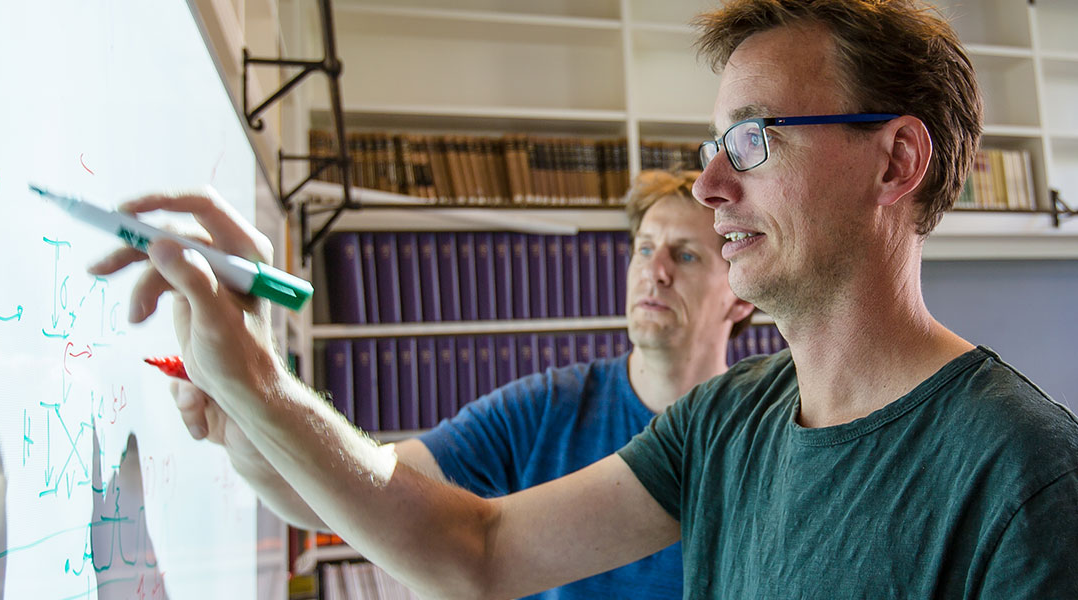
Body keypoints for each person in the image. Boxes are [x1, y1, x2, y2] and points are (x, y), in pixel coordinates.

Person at [89, 0, 1078, 597]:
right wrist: (254, 383)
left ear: (894, 160)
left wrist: (255, 388)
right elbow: (472, 551)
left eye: (753, 139)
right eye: (710, 149)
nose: (708, 189)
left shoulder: (1024, 478)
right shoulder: (728, 419)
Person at [391, 169, 753, 599]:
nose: (654, 271)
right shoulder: (546, 406)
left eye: (686, 255)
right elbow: (382, 483)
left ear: (741, 295)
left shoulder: (760, 432)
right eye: (643, 249)